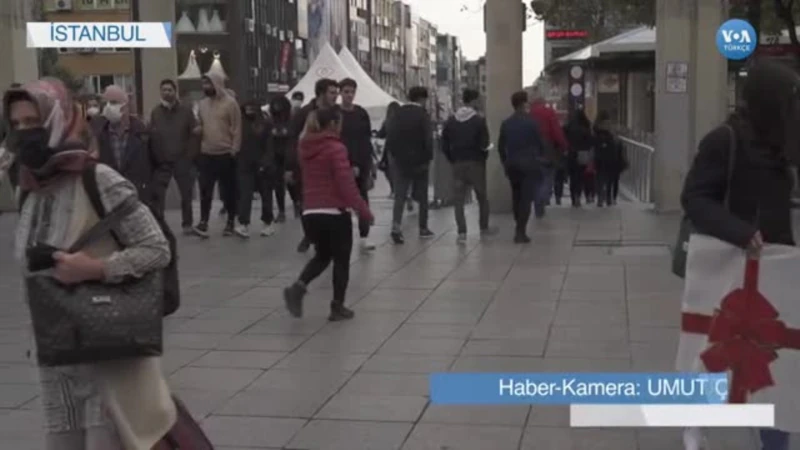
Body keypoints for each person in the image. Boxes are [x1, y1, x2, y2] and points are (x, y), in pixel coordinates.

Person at [6, 78, 175, 450]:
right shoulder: (28, 187)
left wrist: (96, 269)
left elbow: (157, 248)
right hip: (53, 354)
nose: (23, 133)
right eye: (15, 124)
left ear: (59, 118)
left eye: (32, 122)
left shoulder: (98, 178)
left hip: (106, 352)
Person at [681, 60, 800, 450]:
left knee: (775, 359)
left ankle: (773, 436)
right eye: (787, 100)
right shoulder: (724, 141)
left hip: (775, 271)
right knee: (716, 349)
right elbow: (695, 198)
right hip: (731, 264)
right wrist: (742, 233)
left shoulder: (783, 141)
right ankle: (697, 420)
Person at [283, 108, 374, 322]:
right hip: (334, 212)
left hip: (310, 212)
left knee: (323, 255)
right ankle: (337, 306)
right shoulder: (336, 148)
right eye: (339, 123)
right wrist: (364, 211)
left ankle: (298, 288)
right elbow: (346, 185)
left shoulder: (304, 146)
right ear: (333, 124)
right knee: (341, 260)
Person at [92, 85, 170, 212]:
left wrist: (154, 191)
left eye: (113, 102)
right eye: (104, 103)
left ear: (125, 106)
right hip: (110, 205)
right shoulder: (99, 136)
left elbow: (163, 166)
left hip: (141, 202)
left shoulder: (145, 133)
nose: (107, 107)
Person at [287, 79, 340, 253]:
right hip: (307, 165)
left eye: (336, 92)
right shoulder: (304, 113)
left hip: (330, 165)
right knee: (306, 202)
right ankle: (309, 234)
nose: (335, 96)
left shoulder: (336, 113)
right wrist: (290, 167)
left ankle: (324, 236)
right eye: (332, 92)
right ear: (321, 93)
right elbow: (292, 140)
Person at [441, 88, 494, 242]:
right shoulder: (479, 120)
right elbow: (485, 144)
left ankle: (462, 232)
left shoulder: (451, 120)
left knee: (459, 200)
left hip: (458, 163)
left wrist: (452, 158)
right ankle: (483, 227)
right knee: (482, 197)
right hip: (476, 163)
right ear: (474, 101)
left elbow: (444, 144)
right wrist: (483, 157)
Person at [193, 72, 241, 238]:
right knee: (205, 190)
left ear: (217, 84)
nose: (206, 87)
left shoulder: (231, 103)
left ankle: (230, 222)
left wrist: (235, 149)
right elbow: (200, 123)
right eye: (204, 84)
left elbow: (236, 128)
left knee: (228, 191)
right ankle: (203, 222)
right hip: (206, 154)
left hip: (226, 154)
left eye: (209, 84)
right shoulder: (203, 104)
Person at [385, 86, 435, 244]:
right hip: (420, 162)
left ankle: (396, 227)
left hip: (400, 161)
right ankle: (423, 228)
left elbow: (390, 136)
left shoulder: (397, 113)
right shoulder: (423, 115)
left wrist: (395, 155)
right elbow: (428, 139)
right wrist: (428, 157)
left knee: (400, 195)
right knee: (423, 196)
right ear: (422, 99)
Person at [148, 79, 199, 233]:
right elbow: (152, 135)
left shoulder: (186, 110)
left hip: (182, 159)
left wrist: (189, 155)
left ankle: (187, 224)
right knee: (158, 195)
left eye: (169, 90)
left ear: (175, 92)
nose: (166, 93)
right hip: (162, 161)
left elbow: (194, 133)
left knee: (186, 193)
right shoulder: (156, 112)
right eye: (163, 90)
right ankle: (159, 225)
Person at [498, 90, 547, 243]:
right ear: (524, 103)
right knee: (526, 199)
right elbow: (540, 144)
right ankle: (520, 231)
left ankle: (518, 226)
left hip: (512, 165)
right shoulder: (532, 123)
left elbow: (501, 147)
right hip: (529, 164)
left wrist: (505, 162)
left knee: (516, 196)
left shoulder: (506, 123)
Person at [338, 78, 376, 251]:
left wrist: (368, 162)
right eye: (346, 92)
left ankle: (364, 235)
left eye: (352, 92)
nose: (349, 95)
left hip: (362, 162)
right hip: (340, 163)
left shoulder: (361, 113)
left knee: (362, 199)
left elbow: (366, 139)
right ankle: (339, 237)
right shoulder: (335, 114)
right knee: (339, 201)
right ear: (340, 93)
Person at [234, 100, 276, 238]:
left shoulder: (266, 123)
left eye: (252, 108)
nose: (250, 110)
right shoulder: (240, 123)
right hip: (245, 164)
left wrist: (265, 162)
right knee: (245, 195)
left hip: (262, 165)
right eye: (247, 108)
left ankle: (268, 222)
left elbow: (270, 146)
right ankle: (243, 224)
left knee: (266, 195)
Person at [529, 87, 568, 206]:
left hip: (531, 150)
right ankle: (543, 198)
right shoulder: (549, 112)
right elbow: (556, 131)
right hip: (547, 148)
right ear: (543, 101)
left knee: (535, 176)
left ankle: (536, 197)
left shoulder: (529, 113)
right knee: (548, 176)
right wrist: (564, 146)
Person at [593, 110, 626, 207]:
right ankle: (608, 198)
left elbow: (593, 143)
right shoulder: (611, 130)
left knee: (599, 178)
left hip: (599, 156)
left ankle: (600, 197)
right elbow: (616, 142)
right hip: (610, 157)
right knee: (609, 179)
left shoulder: (595, 129)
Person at [269, 95, 293, 223]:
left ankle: (297, 202)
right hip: (276, 156)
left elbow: (292, 134)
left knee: (292, 182)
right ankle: (281, 210)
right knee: (278, 184)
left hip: (289, 155)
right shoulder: (271, 121)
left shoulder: (291, 120)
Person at [563, 109, 594, 208]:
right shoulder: (586, 128)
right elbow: (590, 142)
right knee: (580, 177)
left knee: (573, 177)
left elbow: (563, 138)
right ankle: (578, 196)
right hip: (582, 154)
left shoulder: (568, 127)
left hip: (571, 154)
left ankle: (574, 197)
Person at [377, 101, 399, 196]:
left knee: (390, 170)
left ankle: (394, 190)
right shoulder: (401, 120)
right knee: (398, 171)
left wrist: (375, 133)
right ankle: (399, 190)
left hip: (389, 148)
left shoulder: (387, 121)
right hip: (401, 149)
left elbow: (381, 134)